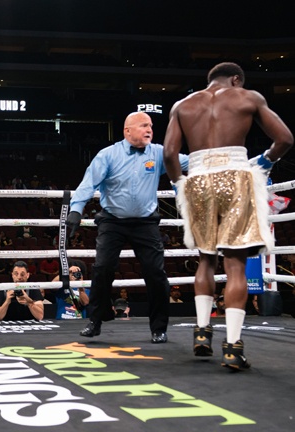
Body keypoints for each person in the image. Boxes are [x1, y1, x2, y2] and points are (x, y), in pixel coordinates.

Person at [163, 62, 294, 370]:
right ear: (236, 79)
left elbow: (169, 154)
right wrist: (263, 162)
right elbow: (285, 139)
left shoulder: (182, 105)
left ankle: (201, 333)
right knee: (235, 264)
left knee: (206, 258)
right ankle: (233, 347)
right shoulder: (247, 97)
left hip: (196, 180)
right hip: (236, 176)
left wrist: (178, 185)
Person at [67, 111, 189, 343]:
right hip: (113, 220)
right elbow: (88, 183)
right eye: (144, 125)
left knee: (156, 273)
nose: (149, 129)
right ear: (127, 131)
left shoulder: (159, 153)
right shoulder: (108, 155)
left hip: (145, 222)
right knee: (102, 268)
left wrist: (221, 155)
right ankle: (95, 319)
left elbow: (188, 160)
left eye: (151, 126)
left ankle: (159, 328)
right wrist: (76, 209)